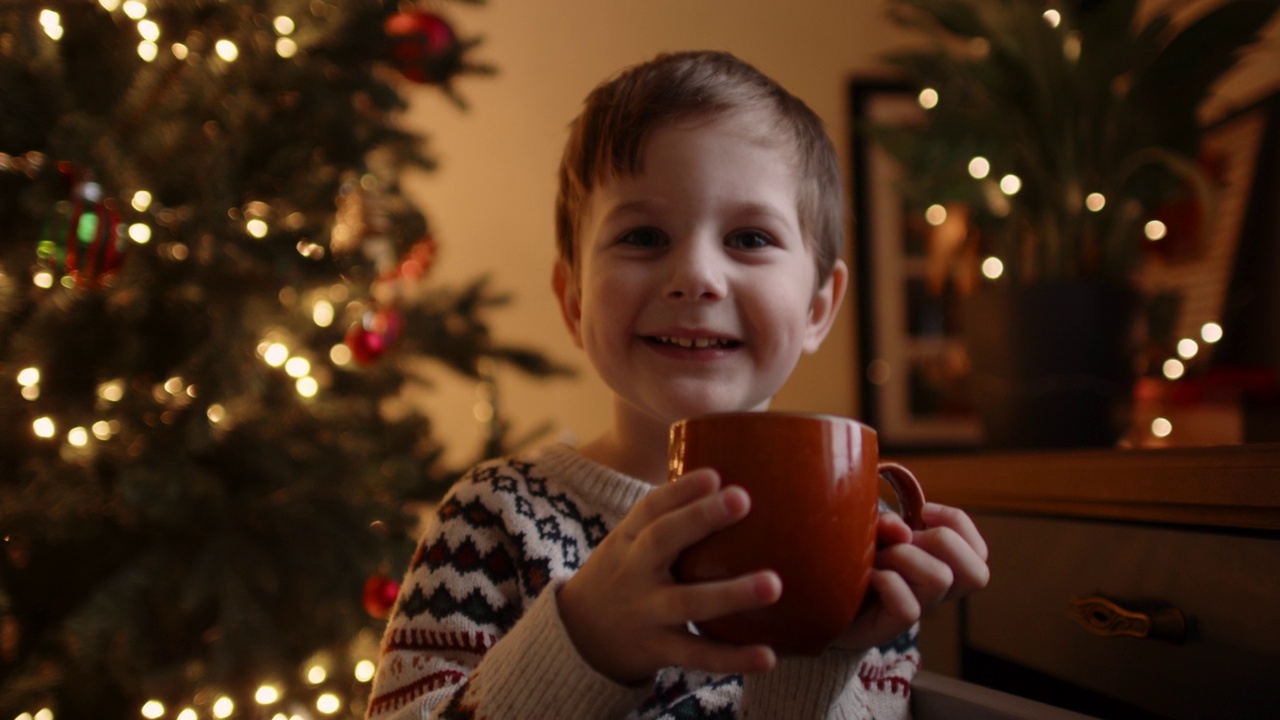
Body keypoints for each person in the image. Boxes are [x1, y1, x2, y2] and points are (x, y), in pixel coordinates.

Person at [365, 49, 989, 720]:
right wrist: (584, 640)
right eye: (643, 235)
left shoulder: (869, 552)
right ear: (573, 298)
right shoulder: (490, 520)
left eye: (749, 238)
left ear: (818, 307)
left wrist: (818, 659)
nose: (696, 276)